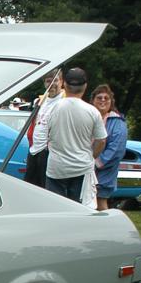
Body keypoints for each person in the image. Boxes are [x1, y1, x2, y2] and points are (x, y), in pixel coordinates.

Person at [45, 67, 106, 206]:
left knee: (55, 208)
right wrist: (91, 156)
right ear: (85, 86)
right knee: (80, 211)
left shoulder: (52, 108)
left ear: (64, 84)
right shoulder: (92, 112)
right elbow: (101, 140)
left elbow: (45, 134)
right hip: (81, 167)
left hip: (56, 167)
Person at [90, 84, 127, 210]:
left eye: (106, 98)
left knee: (100, 202)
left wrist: (97, 163)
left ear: (111, 102)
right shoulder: (88, 117)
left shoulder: (117, 122)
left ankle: (105, 228)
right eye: (99, 97)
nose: (103, 100)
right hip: (84, 167)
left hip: (104, 171)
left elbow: (116, 149)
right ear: (93, 100)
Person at [24, 69, 63, 187]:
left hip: (49, 152)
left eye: (55, 80)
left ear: (61, 81)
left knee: (46, 187)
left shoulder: (64, 102)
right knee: (29, 186)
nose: (51, 84)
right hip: (34, 150)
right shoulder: (40, 101)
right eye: (48, 81)